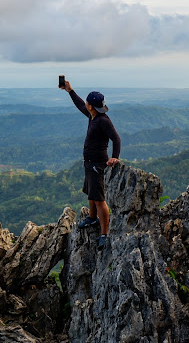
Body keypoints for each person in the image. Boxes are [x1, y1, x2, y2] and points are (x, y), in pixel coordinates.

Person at [60, 79, 121, 250]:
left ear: (91, 106)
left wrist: (115, 157)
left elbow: (116, 138)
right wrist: (69, 90)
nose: (85, 104)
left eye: (87, 103)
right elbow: (80, 105)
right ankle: (92, 218)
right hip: (89, 163)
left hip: (97, 164)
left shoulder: (103, 121)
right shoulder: (93, 115)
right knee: (91, 193)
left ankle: (104, 234)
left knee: (99, 198)